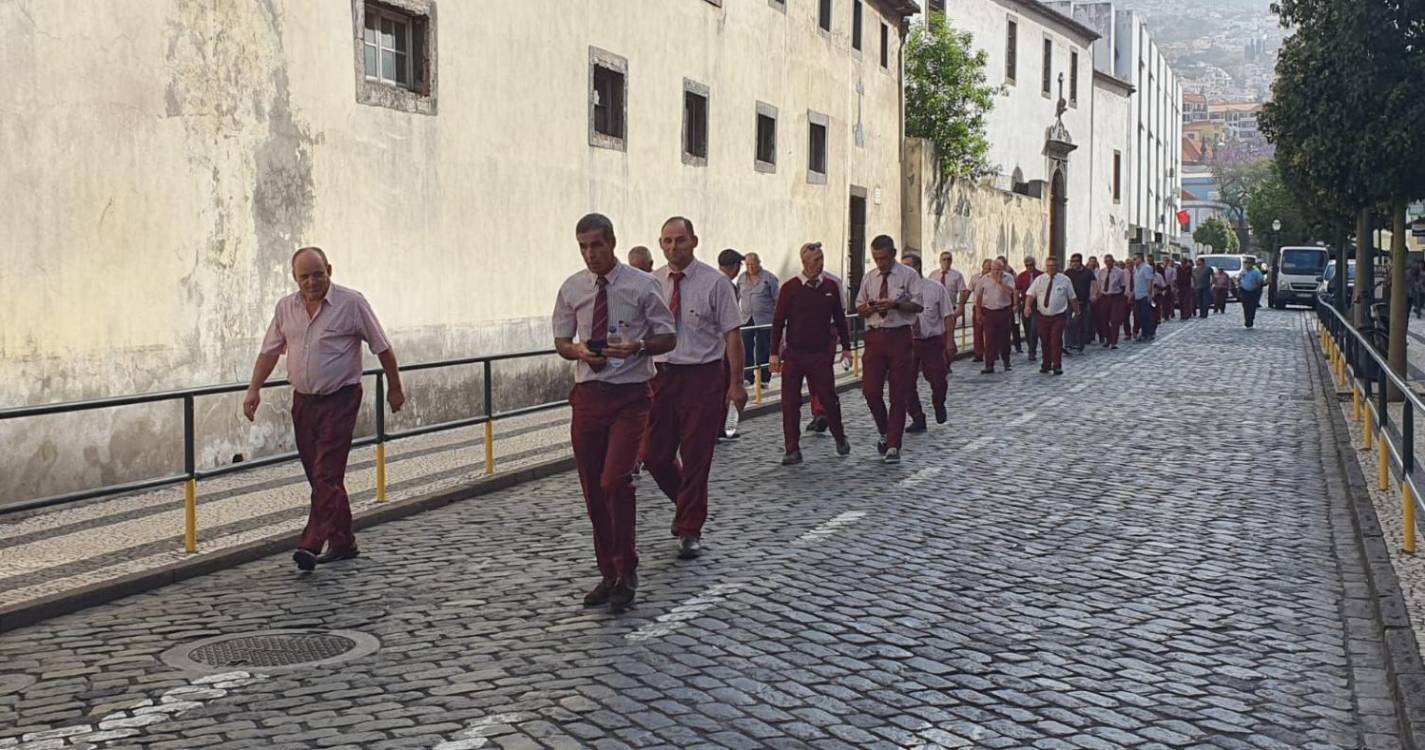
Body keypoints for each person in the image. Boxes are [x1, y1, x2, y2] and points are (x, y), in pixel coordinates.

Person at [244, 246, 405, 572]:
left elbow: (382, 347)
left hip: (340, 398)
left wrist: (395, 387)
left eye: (317, 274)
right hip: (304, 402)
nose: (311, 282)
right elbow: (269, 352)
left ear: (329, 270)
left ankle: (310, 543)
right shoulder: (286, 308)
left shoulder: (351, 303)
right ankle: (343, 542)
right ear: (294, 278)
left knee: (326, 474)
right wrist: (254, 389)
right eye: (304, 276)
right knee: (319, 477)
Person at [554, 214, 676, 612]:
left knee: (615, 480)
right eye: (583, 247)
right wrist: (578, 351)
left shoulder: (642, 285)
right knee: (593, 489)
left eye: (596, 245)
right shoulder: (572, 288)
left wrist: (639, 346)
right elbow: (561, 340)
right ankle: (609, 573)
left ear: (612, 243)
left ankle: (628, 568)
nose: (590, 254)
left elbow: (668, 336)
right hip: (588, 395)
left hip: (630, 396)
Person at [647, 217, 746, 561]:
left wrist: (736, 383)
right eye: (667, 241)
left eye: (680, 240)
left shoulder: (715, 283)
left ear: (694, 241)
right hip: (661, 376)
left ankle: (690, 528)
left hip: (702, 376)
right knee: (654, 455)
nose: (673, 247)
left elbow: (732, 335)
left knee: (695, 456)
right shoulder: (652, 283)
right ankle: (685, 505)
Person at [770, 242, 853, 464]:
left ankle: (839, 436)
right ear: (805, 262)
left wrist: (847, 348)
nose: (820, 264)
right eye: (816, 260)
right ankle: (792, 448)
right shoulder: (790, 288)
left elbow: (840, 319)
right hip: (794, 354)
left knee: (829, 398)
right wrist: (774, 353)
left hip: (820, 354)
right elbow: (778, 321)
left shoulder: (830, 287)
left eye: (822, 259)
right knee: (790, 402)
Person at [854, 235, 923, 464]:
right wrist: (868, 308)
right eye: (876, 259)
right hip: (875, 336)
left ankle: (894, 444)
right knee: (870, 391)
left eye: (883, 258)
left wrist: (895, 304)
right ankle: (885, 430)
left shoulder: (908, 275)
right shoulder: (869, 277)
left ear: (893, 254)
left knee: (898, 393)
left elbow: (918, 305)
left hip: (899, 335)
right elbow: (859, 306)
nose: (880, 263)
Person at [902, 253, 955, 431]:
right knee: (906, 382)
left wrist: (950, 341)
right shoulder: (899, 291)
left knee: (938, 380)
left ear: (917, 267)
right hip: (907, 342)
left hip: (931, 341)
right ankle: (917, 417)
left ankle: (939, 403)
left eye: (908, 266)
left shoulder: (935, 288)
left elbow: (948, 315)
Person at [1025, 256, 1078, 375]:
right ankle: (1046, 363)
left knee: (1056, 340)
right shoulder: (1039, 279)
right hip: (1043, 316)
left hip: (1058, 315)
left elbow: (1072, 297)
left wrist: (1076, 312)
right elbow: (1031, 294)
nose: (1051, 268)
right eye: (1048, 266)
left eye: (1053, 266)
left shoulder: (1065, 280)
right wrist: (1027, 306)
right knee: (1044, 340)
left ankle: (1057, 365)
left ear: (1057, 267)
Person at [716, 248, 746, 441]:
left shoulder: (712, 281)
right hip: (723, 344)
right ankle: (720, 426)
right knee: (724, 387)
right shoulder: (726, 285)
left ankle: (719, 426)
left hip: (717, 344)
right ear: (735, 266)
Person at [737, 252, 779, 387]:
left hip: (764, 319)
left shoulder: (769, 278)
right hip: (746, 318)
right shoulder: (742, 278)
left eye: (752, 264)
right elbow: (735, 297)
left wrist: (777, 318)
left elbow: (777, 299)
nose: (750, 267)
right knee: (745, 348)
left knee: (763, 349)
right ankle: (747, 377)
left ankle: (764, 379)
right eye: (747, 264)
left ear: (758, 263)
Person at [973, 258, 1017, 374]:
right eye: (994, 269)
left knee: (1005, 338)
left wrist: (1000, 282)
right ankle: (989, 364)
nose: (996, 272)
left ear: (1003, 269)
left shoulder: (1008, 278)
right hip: (989, 311)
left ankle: (1006, 361)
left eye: (999, 269)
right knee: (989, 339)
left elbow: (1011, 292)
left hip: (1004, 310)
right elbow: (978, 296)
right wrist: (978, 312)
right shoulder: (984, 279)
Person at [928, 251, 969, 370]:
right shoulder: (933, 275)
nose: (946, 261)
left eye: (949, 259)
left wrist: (961, 306)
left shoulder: (957, 275)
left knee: (948, 336)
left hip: (950, 309)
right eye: (944, 259)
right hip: (935, 311)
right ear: (940, 261)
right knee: (937, 336)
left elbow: (963, 291)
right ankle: (938, 361)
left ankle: (947, 363)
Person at [1096, 254, 1129, 349]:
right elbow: (1099, 285)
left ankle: (1114, 341)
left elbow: (1123, 285)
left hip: (1115, 297)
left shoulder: (1119, 272)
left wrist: (1121, 298)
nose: (1108, 263)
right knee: (1104, 319)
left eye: (1110, 261)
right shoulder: (1101, 272)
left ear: (1113, 261)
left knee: (1114, 320)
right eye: (1106, 261)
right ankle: (1108, 338)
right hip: (1104, 297)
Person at [1064, 253, 1095, 353]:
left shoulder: (1088, 272)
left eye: (1076, 261)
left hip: (1084, 302)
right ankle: (1068, 344)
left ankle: (1080, 343)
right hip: (1070, 301)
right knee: (1069, 322)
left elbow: (1094, 284)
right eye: (1072, 261)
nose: (1074, 263)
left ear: (1080, 262)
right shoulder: (1068, 272)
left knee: (1082, 323)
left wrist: (1094, 295)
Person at [1016, 257, 1044, 362]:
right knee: (1027, 328)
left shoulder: (1041, 275)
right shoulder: (1022, 276)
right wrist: (1016, 303)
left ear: (1034, 264)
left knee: (1034, 329)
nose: (1029, 267)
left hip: (1037, 305)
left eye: (1031, 265)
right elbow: (1017, 290)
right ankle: (1030, 346)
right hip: (1025, 304)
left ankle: (1032, 352)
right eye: (1026, 265)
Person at [970, 258, 993, 362]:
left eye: (990, 269)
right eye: (986, 268)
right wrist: (962, 303)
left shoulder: (994, 278)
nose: (988, 271)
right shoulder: (975, 278)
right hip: (978, 306)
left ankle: (992, 352)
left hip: (990, 307)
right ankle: (978, 353)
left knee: (990, 332)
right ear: (982, 267)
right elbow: (969, 289)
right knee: (977, 331)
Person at [1133, 253, 1158, 342]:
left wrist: (1149, 295)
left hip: (1145, 295)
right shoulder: (1136, 269)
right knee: (1139, 316)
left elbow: (1149, 282)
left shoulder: (1146, 268)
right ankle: (1144, 333)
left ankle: (1149, 333)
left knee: (1145, 315)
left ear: (1140, 259)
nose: (1134, 260)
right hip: (1138, 295)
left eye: (1135, 258)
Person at [1239, 259, 1265, 328]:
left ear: (1252, 264)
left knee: (1252, 307)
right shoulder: (1243, 272)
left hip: (1253, 292)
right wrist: (1239, 283)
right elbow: (1238, 279)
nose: (1247, 265)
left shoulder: (1256, 273)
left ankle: (1250, 320)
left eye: (1248, 263)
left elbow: (1261, 281)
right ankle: (1247, 321)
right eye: (1245, 263)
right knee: (1245, 307)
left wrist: (1256, 286)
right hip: (1244, 291)